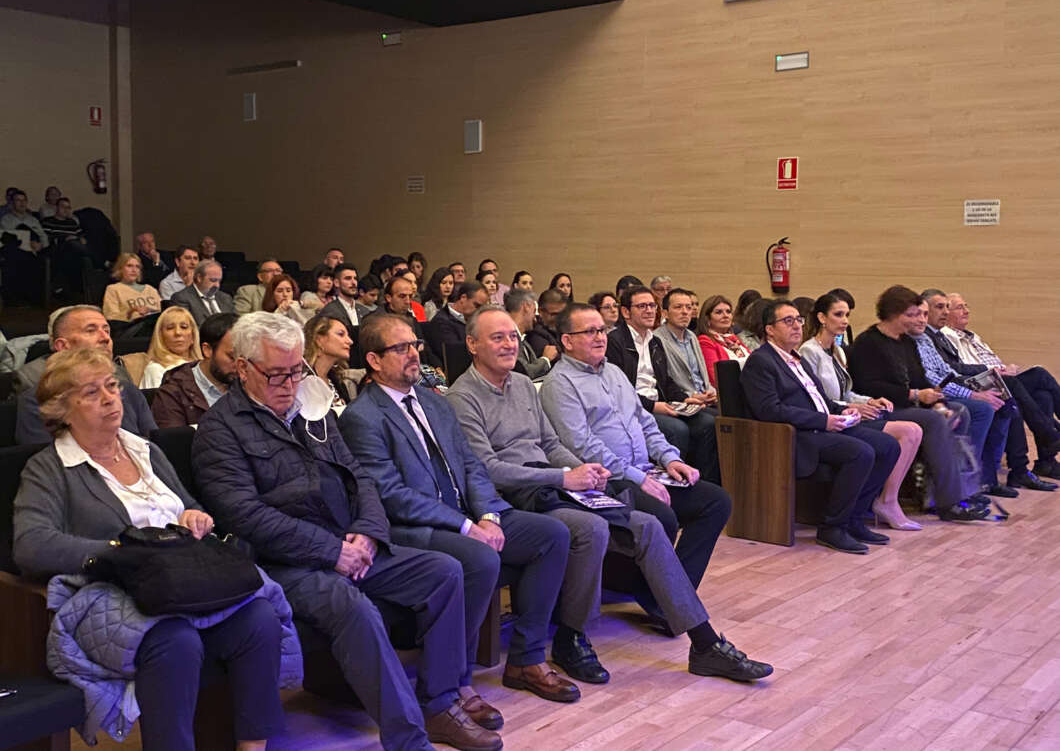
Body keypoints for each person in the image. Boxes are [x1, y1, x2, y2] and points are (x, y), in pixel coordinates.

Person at [192, 312, 498, 751]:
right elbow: (245, 516)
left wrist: (367, 532)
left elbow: (360, 479)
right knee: (353, 607)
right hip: (283, 563)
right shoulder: (219, 430)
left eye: (296, 370)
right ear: (242, 368)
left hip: (348, 542)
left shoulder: (312, 411)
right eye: (276, 374)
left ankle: (439, 703)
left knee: (445, 572)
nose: (289, 384)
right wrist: (331, 550)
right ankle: (409, 739)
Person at [448, 307, 773, 682]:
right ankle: (571, 636)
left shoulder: (522, 384)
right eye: (497, 338)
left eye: (511, 337)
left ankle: (705, 644)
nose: (509, 345)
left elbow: (551, 444)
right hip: (518, 497)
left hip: (556, 484)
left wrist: (584, 472)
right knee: (593, 528)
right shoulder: (462, 397)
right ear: (472, 344)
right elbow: (487, 469)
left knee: (648, 525)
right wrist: (565, 478)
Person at [14, 347, 291, 751]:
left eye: (112, 386)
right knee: (176, 640)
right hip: (116, 593)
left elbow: (187, 505)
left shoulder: (144, 450)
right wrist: (116, 551)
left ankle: (252, 748)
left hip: (180, 584)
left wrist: (195, 517)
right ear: (62, 410)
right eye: (91, 393)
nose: (110, 398)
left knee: (259, 618)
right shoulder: (49, 468)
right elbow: (31, 545)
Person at [340, 313, 580, 707]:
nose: (414, 354)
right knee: (480, 558)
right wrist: (467, 526)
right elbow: (391, 495)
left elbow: (472, 465)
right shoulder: (362, 417)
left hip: (468, 514)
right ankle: (457, 680)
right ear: (374, 360)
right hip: (415, 527)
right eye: (400, 348)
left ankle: (527, 659)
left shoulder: (435, 402)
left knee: (551, 535)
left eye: (415, 345)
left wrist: (488, 515)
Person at [541, 303, 733, 630]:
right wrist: (638, 478)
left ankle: (668, 598)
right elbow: (582, 446)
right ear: (567, 341)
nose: (600, 337)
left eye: (602, 330)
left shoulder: (614, 372)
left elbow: (645, 422)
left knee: (716, 501)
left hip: (644, 469)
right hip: (607, 479)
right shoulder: (559, 384)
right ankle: (662, 598)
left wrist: (670, 458)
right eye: (589, 331)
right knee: (662, 515)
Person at [741, 300, 902, 553]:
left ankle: (854, 518)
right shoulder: (761, 362)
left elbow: (822, 401)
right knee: (861, 452)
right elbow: (770, 410)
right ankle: (832, 528)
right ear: (770, 330)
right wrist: (823, 421)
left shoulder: (797, 359)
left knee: (889, 446)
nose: (797, 326)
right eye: (788, 321)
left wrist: (842, 410)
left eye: (798, 320)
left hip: (823, 426)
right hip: (796, 435)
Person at [846, 286, 992, 521]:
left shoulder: (905, 342)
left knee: (957, 412)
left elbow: (920, 378)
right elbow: (868, 386)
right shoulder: (868, 343)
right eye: (911, 314)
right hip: (882, 408)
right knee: (933, 420)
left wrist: (937, 402)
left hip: (908, 403)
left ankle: (943, 491)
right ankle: (950, 501)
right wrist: (914, 395)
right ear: (893, 314)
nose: (917, 319)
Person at [799, 293, 925, 530]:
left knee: (914, 431)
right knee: (908, 432)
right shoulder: (809, 352)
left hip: (850, 413)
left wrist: (870, 401)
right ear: (822, 318)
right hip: (836, 419)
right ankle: (885, 502)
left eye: (847, 315)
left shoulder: (837, 350)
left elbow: (847, 392)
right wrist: (854, 407)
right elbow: (818, 398)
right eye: (838, 314)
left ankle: (888, 499)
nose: (845, 320)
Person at [908, 296, 1028, 496]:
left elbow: (948, 371)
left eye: (924, 314)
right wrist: (972, 392)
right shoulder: (915, 340)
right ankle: (966, 484)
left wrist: (974, 386)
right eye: (939, 307)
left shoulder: (927, 338)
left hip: (944, 389)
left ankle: (990, 478)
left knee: (1005, 400)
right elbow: (932, 380)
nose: (922, 319)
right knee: (982, 408)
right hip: (924, 397)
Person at [606, 286, 721, 483]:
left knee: (710, 422)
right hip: (635, 408)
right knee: (677, 429)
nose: (649, 311)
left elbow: (666, 382)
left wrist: (686, 399)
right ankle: (673, 486)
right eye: (642, 306)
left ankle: (702, 482)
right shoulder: (615, 342)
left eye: (652, 306)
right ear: (625, 312)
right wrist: (653, 406)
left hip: (661, 403)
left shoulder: (654, 341)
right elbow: (619, 391)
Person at [942, 291, 1060, 481]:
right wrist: (996, 370)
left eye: (966, 306)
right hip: (981, 383)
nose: (966, 311)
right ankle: (1049, 437)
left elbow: (991, 360)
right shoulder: (947, 335)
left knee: (1042, 395)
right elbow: (963, 368)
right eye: (959, 307)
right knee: (1039, 375)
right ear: (946, 314)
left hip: (999, 377)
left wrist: (1006, 368)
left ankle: (1046, 460)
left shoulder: (973, 336)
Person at [15, 305, 157, 445]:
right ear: (63, 346)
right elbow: (46, 456)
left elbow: (154, 446)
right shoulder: (37, 401)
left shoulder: (127, 388)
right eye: (90, 331)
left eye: (107, 331)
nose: (105, 338)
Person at [152, 312, 238, 427]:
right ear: (207, 350)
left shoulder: (250, 382)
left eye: (245, 357)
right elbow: (173, 437)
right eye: (232, 357)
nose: (240, 365)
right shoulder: (173, 393)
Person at [655, 289, 718, 407]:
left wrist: (710, 392)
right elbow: (665, 381)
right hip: (681, 401)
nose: (685, 312)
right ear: (665, 313)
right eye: (678, 307)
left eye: (688, 308)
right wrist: (690, 396)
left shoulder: (692, 336)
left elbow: (701, 376)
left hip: (704, 398)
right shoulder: (657, 339)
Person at [376, 276, 442, 367]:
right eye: (402, 296)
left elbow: (424, 348)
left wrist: (437, 367)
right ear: (388, 298)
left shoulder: (411, 319)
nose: (408, 301)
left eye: (410, 296)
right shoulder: (376, 321)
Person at [304, 314, 359, 411]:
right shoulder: (302, 380)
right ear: (319, 340)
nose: (350, 341)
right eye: (341, 334)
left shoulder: (336, 380)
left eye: (348, 336)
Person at [425, 280, 488, 364]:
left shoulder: (476, 321)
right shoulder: (441, 322)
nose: (479, 311)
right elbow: (456, 356)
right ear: (463, 298)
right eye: (477, 306)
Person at [697, 295, 752, 387]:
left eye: (728, 312)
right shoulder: (705, 341)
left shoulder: (734, 339)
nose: (725, 316)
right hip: (730, 390)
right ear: (707, 319)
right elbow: (715, 378)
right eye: (719, 312)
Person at [140, 306, 201, 389]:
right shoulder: (156, 369)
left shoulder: (203, 367)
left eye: (183, 327)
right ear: (160, 336)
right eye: (170, 328)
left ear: (193, 336)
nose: (178, 332)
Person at [506, 289, 556, 379]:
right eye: (534, 311)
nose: (535, 318)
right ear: (526, 307)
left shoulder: (523, 339)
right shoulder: (507, 337)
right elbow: (524, 372)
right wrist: (546, 359)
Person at [171, 260, 235, 326]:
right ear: (199, 278)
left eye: (219, 281)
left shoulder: (226, 298)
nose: (217, 285)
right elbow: (186, 327)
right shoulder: (182, 298)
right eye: (213, 280)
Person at [102, 252, 162, 322]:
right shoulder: (113, 289)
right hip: (130, 327)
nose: (134, 270)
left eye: (137, 267)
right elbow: (110, 317)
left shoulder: (150, 289)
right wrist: (130, 312)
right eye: (129, 266)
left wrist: (150, 310)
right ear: (120, 269)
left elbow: (163, 312)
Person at [318, 262, 363, 344]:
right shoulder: (329, 311)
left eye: (355, 278)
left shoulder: (365, 311)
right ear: (336, 283)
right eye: (348, 278)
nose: (354, 283)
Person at [527, 287, 567, 358]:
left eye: (563, 314)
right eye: (555, 314)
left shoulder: (566, 329)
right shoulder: (535, 335)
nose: (560, 319)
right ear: (540, 311)